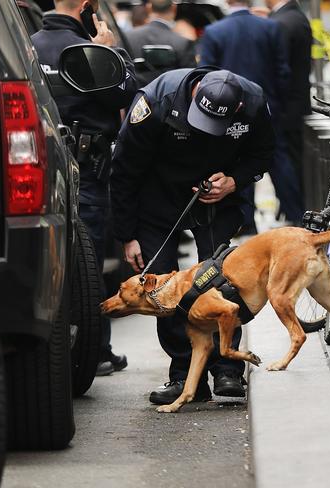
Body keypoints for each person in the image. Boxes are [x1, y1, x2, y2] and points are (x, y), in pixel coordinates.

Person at [110, 67, 275, 404]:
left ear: (238, 109)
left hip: (217, 200)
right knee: (162, 291)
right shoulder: (157, 101)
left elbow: (264, 154)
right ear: (194, 92)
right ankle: (185, 375)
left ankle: (227, 369)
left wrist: (233, 181)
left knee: (223, 284)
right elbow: (124, 169)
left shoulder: (255, 102)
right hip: (158, 199)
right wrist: (128, 235)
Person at [32, 0, 138, 375]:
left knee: (50, 262)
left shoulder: (27, 45)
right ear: (85, 7)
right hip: (88, 170)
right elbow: (129, 94)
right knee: (89, 262)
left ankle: (61, 349)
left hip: (42, 170)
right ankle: (97, 350)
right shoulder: (91, 52)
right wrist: (109, 51)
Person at [198, 0, 302, 233]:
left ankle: (246, 222)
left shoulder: (215, 32)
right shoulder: (270, 28)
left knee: (236, 161)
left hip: (227, 109)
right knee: (279, 161)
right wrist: (277, 103)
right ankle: (296, 215)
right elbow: (283, 72)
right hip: (268, 106)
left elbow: (205, 75)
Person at [265, 0, 312, 191]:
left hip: (286, 109)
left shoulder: (283, 22)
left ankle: (297, 213)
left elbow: (280, 71)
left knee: (290, 164)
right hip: (294, 105)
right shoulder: (291, 17)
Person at [126, 0, 196, 79]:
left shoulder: (128, 37)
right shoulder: (182, 43)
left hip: (136, 91)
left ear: (149, 8)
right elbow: (190, 80)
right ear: (174, 8)